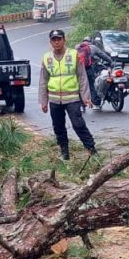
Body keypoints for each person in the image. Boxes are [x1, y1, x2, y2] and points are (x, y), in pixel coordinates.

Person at [38, 27, 97, 161]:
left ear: (64, 40)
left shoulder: (74, 55)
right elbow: (43, 80)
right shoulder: (47, 58)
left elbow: (82, 77)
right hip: (54, 100)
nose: (57, 42)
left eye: (59, 39)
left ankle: (92, 150)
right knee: (58, 127)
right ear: (50, 42)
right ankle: (64, 153)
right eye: (54, 40)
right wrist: (43, 101)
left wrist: (86, 97)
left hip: (72, 98)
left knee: (78, 124)